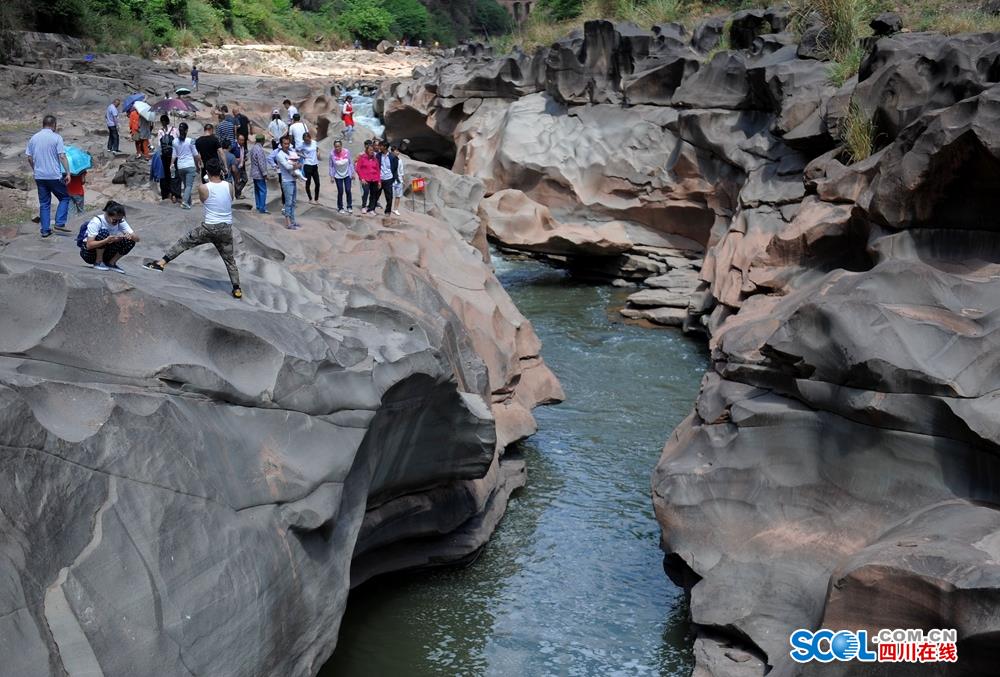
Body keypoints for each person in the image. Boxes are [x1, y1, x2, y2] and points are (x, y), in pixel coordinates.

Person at [144, 159, 243, 299]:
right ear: (221, 171)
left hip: (209, 227)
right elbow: (230, 199)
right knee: (229, 259)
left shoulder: (203, 187)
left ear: (207, 172)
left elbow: (204, 201)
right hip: (226, 228)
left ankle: (161, 263)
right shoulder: (229, 185)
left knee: (184, 242)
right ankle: (237, 288)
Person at [25, 115, 71, 238]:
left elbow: (29, 157)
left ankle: (45, 230)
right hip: (53, 175)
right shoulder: (56, 137)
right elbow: (62, 156)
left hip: (40, 176)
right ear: (54, 124)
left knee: (44, 203)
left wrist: (35, 169)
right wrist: (68, 172)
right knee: (65, 198)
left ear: (43, 124)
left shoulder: (34, 138)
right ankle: (59, 223)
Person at [79, 200, 139, 272]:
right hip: (89, 253)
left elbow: (137, 239)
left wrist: (129, 236)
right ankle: (98, 262)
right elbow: (89, 245)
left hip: (106, 250)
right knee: (104, 232)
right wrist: (106, 240)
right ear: (107, 214)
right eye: (114, 220)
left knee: (130, 241)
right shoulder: (97, 221)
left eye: (119, 220)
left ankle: (111, 263)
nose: (117, 222)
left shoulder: (120, 221)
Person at [172, 122, 200, 210]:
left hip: (180, 166)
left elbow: (174, 155)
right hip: (189, 165)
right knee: (189, 186)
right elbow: (195, 155)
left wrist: (171, 164)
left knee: (186, 185)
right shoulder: (190, 141)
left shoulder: (174, 141)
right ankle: (184, 202)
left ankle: (188, 202)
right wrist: (198, 166)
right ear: (187, 130)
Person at [274, 136, 300, 230]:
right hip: (286, 181)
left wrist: (296, 165)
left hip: (293, 179)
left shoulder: (290, 153)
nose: (286, 145)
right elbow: (287, 167)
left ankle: (293, 221)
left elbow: (297, 162)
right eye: (285, 143)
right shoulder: (280, 155)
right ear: (281, 144)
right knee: (288, 202)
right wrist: (296, 165)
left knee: (293, 202)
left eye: (288, 143)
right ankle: (288, 222)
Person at [156, 114, 179, 202]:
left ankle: (165, 194)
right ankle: (174, 194)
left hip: (164, 157)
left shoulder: (160, 131)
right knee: (173, 174)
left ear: (162, 122)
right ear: (169, 121)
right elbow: (177, 142)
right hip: (173, 156)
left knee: (165, 175)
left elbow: (159, 145)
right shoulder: (174, 130)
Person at [355, 142, 381, 215]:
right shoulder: (362, 157)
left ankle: (371, 209)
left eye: (372, 150)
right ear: (367, 150)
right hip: (365, 179)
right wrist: (362, 178)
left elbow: (378, 170)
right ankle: (364, 206)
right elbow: (358, 168)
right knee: (366, 192)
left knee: (373, 194)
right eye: (370, 150)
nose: (372, 151)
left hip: (374, 179)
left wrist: (379, 181)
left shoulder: (375, 159)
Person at [376, 140, 400, 215]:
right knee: (376, 194)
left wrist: (393, 178)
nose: (379, 147)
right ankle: (371, 208)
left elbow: (395, 168)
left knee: (389, 196)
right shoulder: (378, 155)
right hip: (380, 178)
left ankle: (388, 211)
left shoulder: (392, 157)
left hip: (389, 179)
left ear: (385, 147)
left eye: (381, 146)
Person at [329, 139, 353, 214]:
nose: (337, 148)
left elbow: (350, 163)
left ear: (341, 146)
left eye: (339, 146)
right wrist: (332, 176)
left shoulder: (346, 151)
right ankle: (340, 207)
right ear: (334, 147)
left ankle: (349, 206)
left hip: (347, 174)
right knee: (340, 191)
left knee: (348, 190)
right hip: (337, 175)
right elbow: (331, 165)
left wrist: (352, 173)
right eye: (336, 147)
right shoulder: (332, 154)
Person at [249, 133, 270, 214]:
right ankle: (262, 208)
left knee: (257, 190)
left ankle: (258, 205)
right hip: (259, 174)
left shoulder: (253, 148)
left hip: (254, 173)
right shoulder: (260, 150)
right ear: (262, 141)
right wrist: (265, 174)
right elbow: (261, 163)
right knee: (263, 190)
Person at [298, 131, 320, 203]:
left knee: (317, 183)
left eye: (308, 139)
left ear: (310, 138)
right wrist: (303, 156)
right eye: (305, 140)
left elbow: (317, 148)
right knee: (308, 183)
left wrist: (318, 153)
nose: (307, 141)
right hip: (307, 165)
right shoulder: (302, 145)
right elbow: (296, 151)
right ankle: (310, 199)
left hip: (315, 164)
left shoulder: (314, 142)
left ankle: (316, 199)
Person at [391, 145, 405, 215]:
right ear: (392, 151)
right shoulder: (389, 159)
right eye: (396, 151)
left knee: (398, 196)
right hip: (391, 180)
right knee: (390, 195)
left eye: (398, 151)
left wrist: (402, 180)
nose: (398, 152)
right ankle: (389, 208)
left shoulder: (400, 160)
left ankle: (395, 209)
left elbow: (401, 171)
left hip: (399, 180)